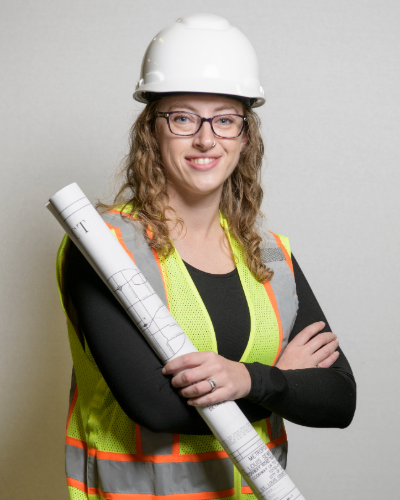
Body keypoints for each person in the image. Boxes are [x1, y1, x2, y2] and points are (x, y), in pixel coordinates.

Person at [56, 13, 356, 500]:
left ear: (244, 136)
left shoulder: (271, 256)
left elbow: (340, 400)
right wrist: (279, 381)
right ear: (151, 130)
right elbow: (154, 406)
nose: (205, 138)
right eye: (182, 117)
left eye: (224, 119)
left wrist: (248, 380)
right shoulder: (103, 247)